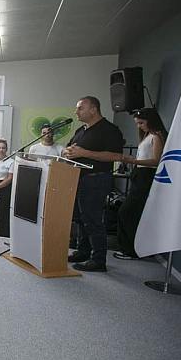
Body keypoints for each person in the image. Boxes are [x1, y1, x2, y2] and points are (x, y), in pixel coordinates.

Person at [64, 96, 124, 272]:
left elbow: (115, 156)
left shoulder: (109, 130)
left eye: (80, 108)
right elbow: (69, 148)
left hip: (96, 179)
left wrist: (85, 152)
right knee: (81, 219)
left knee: (93, 220)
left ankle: (98, 259)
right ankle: (83, 251)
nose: (76, 112)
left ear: (93, 109)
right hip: (78, 178)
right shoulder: (81, 130)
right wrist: (68, 152)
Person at [115, 108, 167, 261]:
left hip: (147, 175)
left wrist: (133, 160)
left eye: (141, 123)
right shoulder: (147, 136)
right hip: (139, 174)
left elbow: (156, 160)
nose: (139, 126)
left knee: (127, 212)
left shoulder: (157, 136)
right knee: (129, 212)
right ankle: (129, 248)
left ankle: (130, 250)